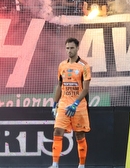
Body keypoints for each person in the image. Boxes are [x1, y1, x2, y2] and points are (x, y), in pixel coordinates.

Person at [51, 37, 90, 168]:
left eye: (72, 48)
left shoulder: (84, 66)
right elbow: (60, 85)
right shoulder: (62, 65)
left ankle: (81, 165)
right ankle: (55, 164)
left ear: (77, 48)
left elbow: (85, 89)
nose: (69, 50)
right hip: (63, 105)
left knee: (79, 134)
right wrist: (54, 103)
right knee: (57, 131)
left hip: (78, 106)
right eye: (67, 48)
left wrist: (75, 104)